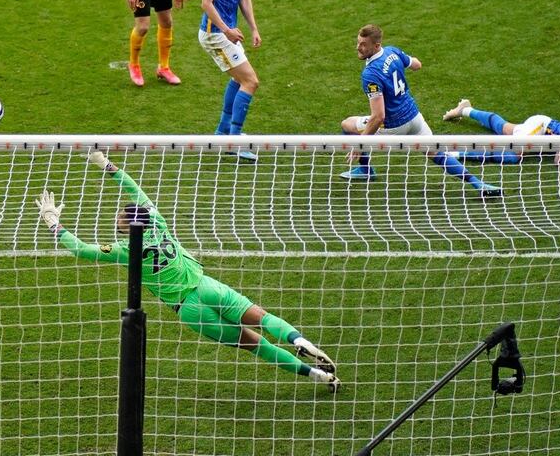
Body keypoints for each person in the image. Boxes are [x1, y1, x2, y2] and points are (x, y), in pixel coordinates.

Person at [35, 151, 339, 393]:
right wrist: (107, 165)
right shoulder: (158, 222)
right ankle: (298, 340)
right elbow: (135, 189)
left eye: (120, 217)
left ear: (127, 226)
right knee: (261, 317)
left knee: (255, 345)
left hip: (190, 309)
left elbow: (80, 249)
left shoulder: (125, 250)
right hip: (207, 286)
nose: (117, 217)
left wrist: (53, 222)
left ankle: (316, 375)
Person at [339, 24, 502, 197]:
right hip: (414, 118)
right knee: (437, 153)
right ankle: (479, 184)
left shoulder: (370, 74)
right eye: (358, 42)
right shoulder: (392, 51)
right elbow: (417, 64)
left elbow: (378, 117)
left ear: (376, 45)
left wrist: (360, 143)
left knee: (347, 124)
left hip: (393, 127)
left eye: (363, 44)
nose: (358, 47)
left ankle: (365, 170)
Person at [200, 0, 262, 160]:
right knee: (251, 81)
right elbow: (206, 3)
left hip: (228, 32)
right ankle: (233, 142)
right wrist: (226, 30)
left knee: (239, 80)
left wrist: (254, 28)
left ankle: (223, 132)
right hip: (215, 34)